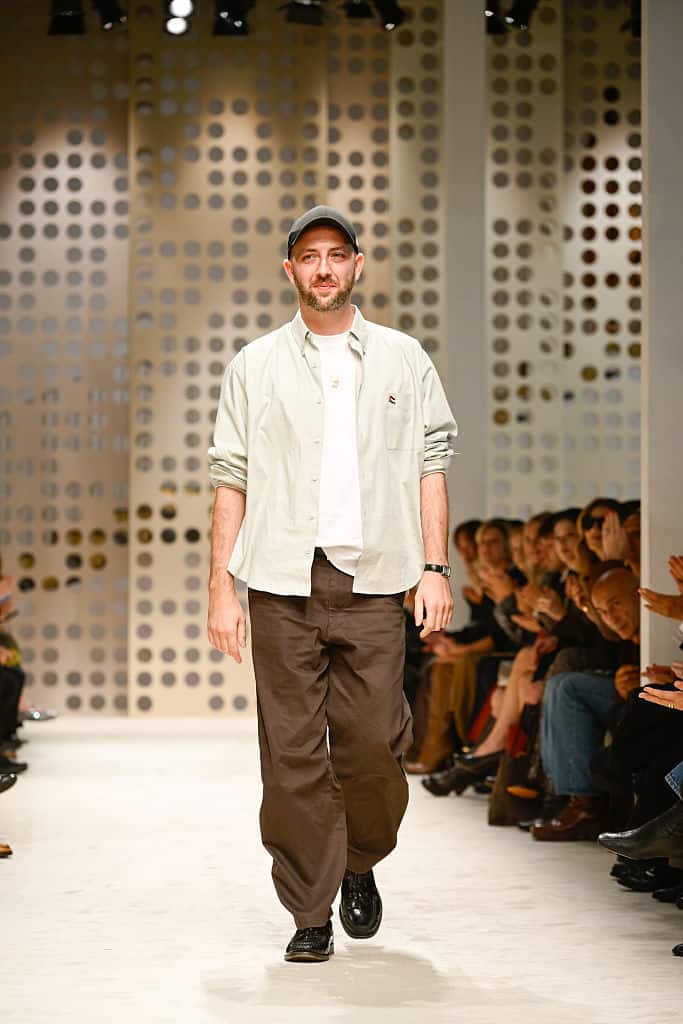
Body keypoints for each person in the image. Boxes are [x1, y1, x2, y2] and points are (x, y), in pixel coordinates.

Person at [206, 206, 457, 963]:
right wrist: (220, 588)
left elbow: (430, 464)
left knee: (377, 744)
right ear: (289, 270)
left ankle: (358, 859)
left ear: (357, 267)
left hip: (378, 580)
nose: (323, 267)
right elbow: (230, 479)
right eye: (308, 256)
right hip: (281, 583)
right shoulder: (253, 365)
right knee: (290, 753)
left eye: (336, 254)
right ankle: (307, 907)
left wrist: (436, 569)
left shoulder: (403, 358)